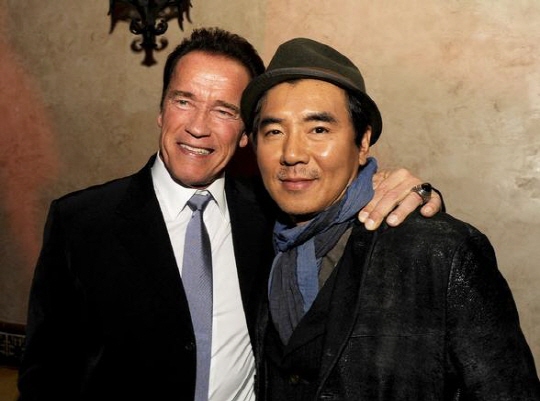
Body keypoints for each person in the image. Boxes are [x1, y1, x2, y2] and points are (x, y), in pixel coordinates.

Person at [17, 28, 443, 401]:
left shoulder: (274, 210)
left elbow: (346, 197)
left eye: (224, 110)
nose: (198, 127)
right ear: (161, 110)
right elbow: (45, 374)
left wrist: (416, 192)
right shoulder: (82, 222)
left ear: (245, 134)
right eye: (184, 101)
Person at [241, 37, 540, 400]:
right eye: (274, 131)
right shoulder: (256, 241)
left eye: (318, 129)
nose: (292, 153)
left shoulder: (442, 252)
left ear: (363, 142)